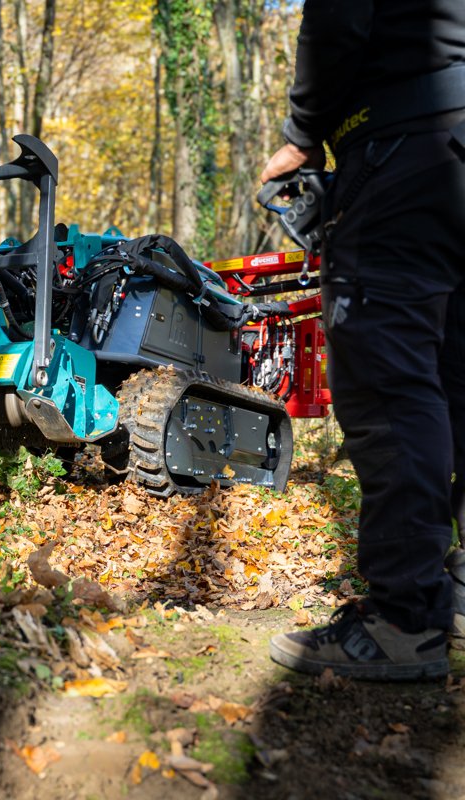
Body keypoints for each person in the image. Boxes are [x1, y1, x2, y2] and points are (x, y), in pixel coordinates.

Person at [260, 1, 465, 680]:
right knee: (457, 377)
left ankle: (406, 621)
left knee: (388, 382)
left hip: (404, 147)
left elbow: (341, 15)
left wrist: (303, 133)